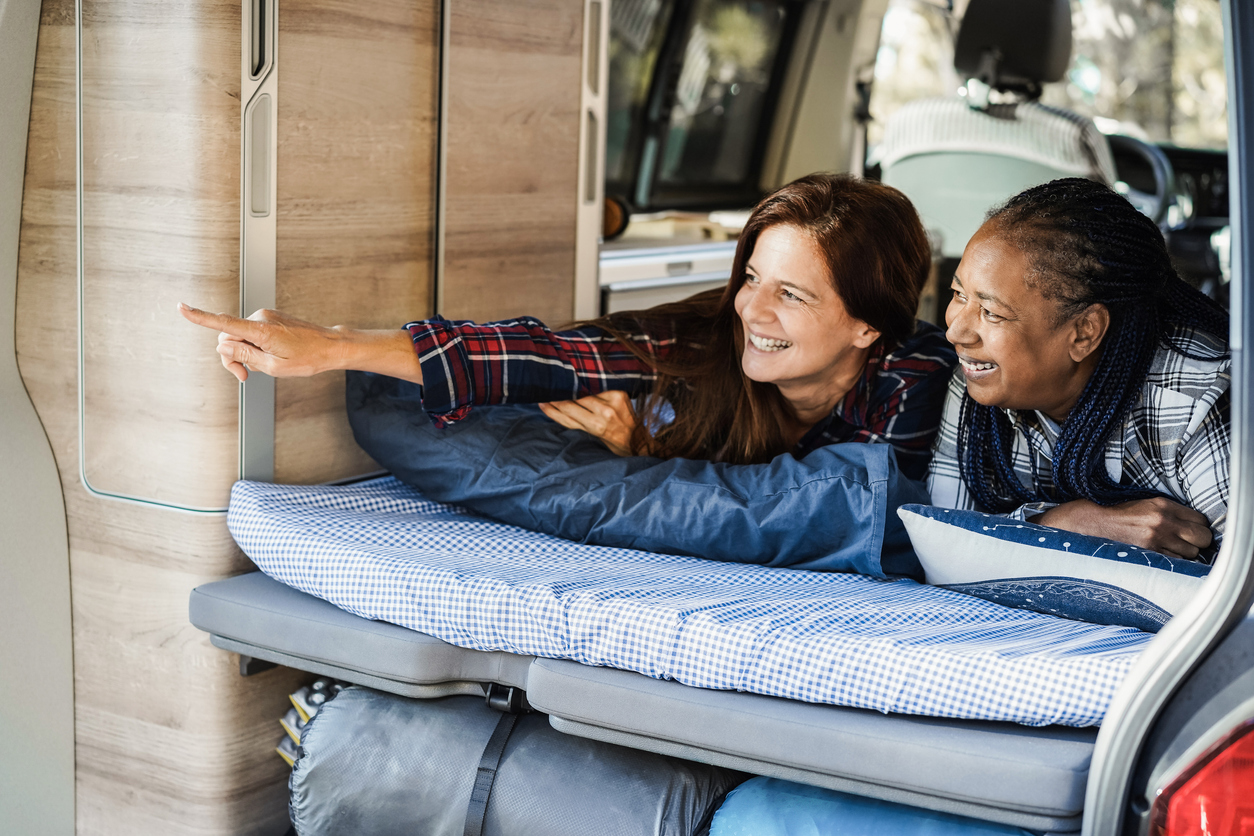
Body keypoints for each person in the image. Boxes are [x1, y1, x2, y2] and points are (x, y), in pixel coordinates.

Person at [180, 173, 958, 481]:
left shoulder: (917, 383)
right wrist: (331, 346)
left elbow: (831, 514)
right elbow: (551, 356)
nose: (751, 312)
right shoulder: (708, 339)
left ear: (868, 327)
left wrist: (651, 456)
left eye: (791, 295)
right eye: (751, 277)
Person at [927, 177, 1230, 561]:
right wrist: (1069, 526)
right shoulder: (977, 381)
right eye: (959, 296)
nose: (956, 331)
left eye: (991, 312)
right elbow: (942, 549)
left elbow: (1246, 593)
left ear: (1084, 332)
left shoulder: (1199, 400)